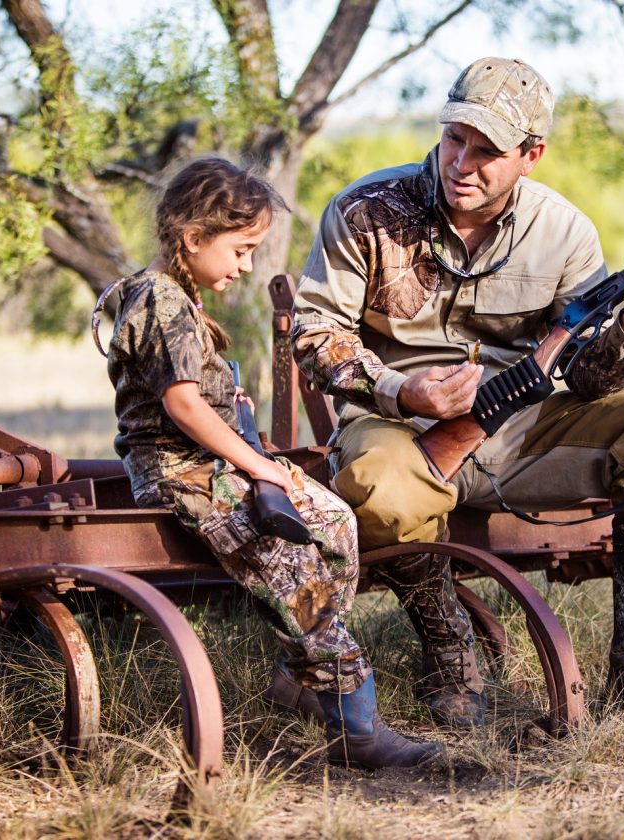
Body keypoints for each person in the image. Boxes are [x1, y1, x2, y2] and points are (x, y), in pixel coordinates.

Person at [289, 58, 624, 725]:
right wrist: (404, 390)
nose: (461, 163)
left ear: (531, 155)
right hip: (398, 427)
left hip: (524, 434)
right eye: (454, 138)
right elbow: (316, 334)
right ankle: (450, 653)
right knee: (379, 484)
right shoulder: (364, 211)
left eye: (487, 150)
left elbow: (589, 378)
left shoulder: (565, 232)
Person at [103, 157, 439, 768]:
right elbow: (180, 404)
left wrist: (229, 406)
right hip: (181, 473)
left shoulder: (179, 297)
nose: (246, 265)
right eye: (240, 250)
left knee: (334, 521)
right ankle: (355, 723)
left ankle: (300, 676)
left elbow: (191, 393)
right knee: (292, 569)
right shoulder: (159, 297)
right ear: (193, 237)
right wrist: (258, 466)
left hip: (211, 462)